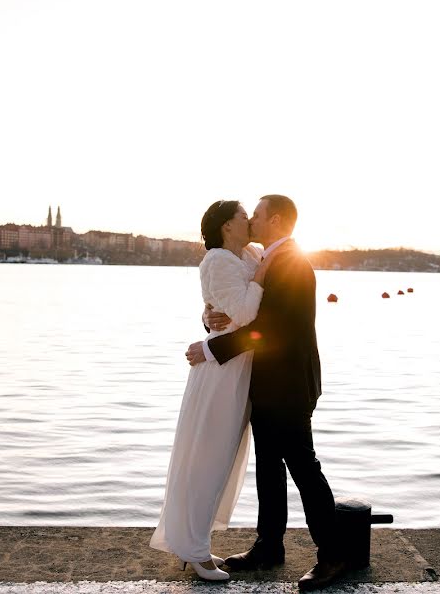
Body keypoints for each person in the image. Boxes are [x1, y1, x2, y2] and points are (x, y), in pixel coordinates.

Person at [186, 195, 349, 591]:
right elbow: (232, 298)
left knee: (303, 468)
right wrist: (210, 317)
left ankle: (333, 555)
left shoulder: (291, 263)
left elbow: (273, 329)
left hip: (290, 383)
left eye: (257, 215)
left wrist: (212, 349)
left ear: (275, 219)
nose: (252, 220)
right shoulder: (263, 257)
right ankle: (268, 546)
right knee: (270, 468)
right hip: (267, 381)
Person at [150, 200, 279, 581]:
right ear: (226, 226)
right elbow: (242, 313)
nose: (250, 220)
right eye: (244, 216)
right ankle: (194, 550)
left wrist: (209, 313)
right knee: (206, 457)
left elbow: (228, 308)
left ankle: (197, 541)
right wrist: (259, 279)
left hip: (241, 368)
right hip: (221, 372)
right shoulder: (217, 259)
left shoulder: (252, 252)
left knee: (224, 458)